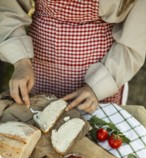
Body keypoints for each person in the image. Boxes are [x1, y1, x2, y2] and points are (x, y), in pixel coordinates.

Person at [0, 0, 146, 113]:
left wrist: (98, 87)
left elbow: (136, 36)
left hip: (104, 70)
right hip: (38, 68)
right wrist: (21, 61)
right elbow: (8, 7)